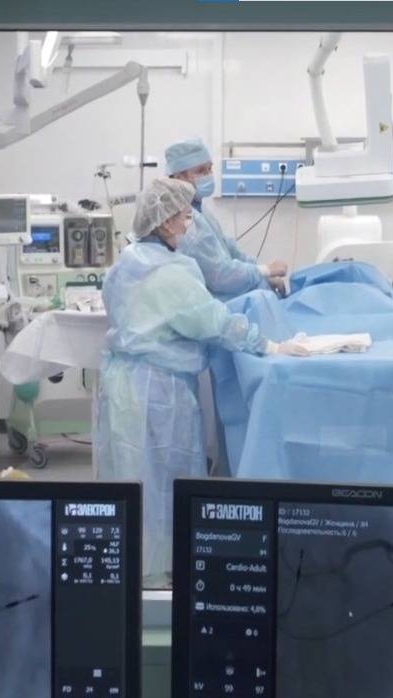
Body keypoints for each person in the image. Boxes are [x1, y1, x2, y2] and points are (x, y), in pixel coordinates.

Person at [96, 179, 308, 584]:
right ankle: (159, 575)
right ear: (164, 222)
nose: (189, 222)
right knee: (161, 481)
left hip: (122, 386)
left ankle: (132, 568)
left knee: (130, 478)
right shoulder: (170, 272)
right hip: (157, 390)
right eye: (183, 215)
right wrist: (268, 344)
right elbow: (212, 322)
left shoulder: (128, 261)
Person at [164, 138, 289, 301]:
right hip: (216, 304)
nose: (208, 175)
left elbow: (229, 250)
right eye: (201, 171)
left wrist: (263, 273)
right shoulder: (184, 222)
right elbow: (220, 275)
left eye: (210, 169)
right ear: (179, 177)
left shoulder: (200, 210)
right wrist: (265, 270)